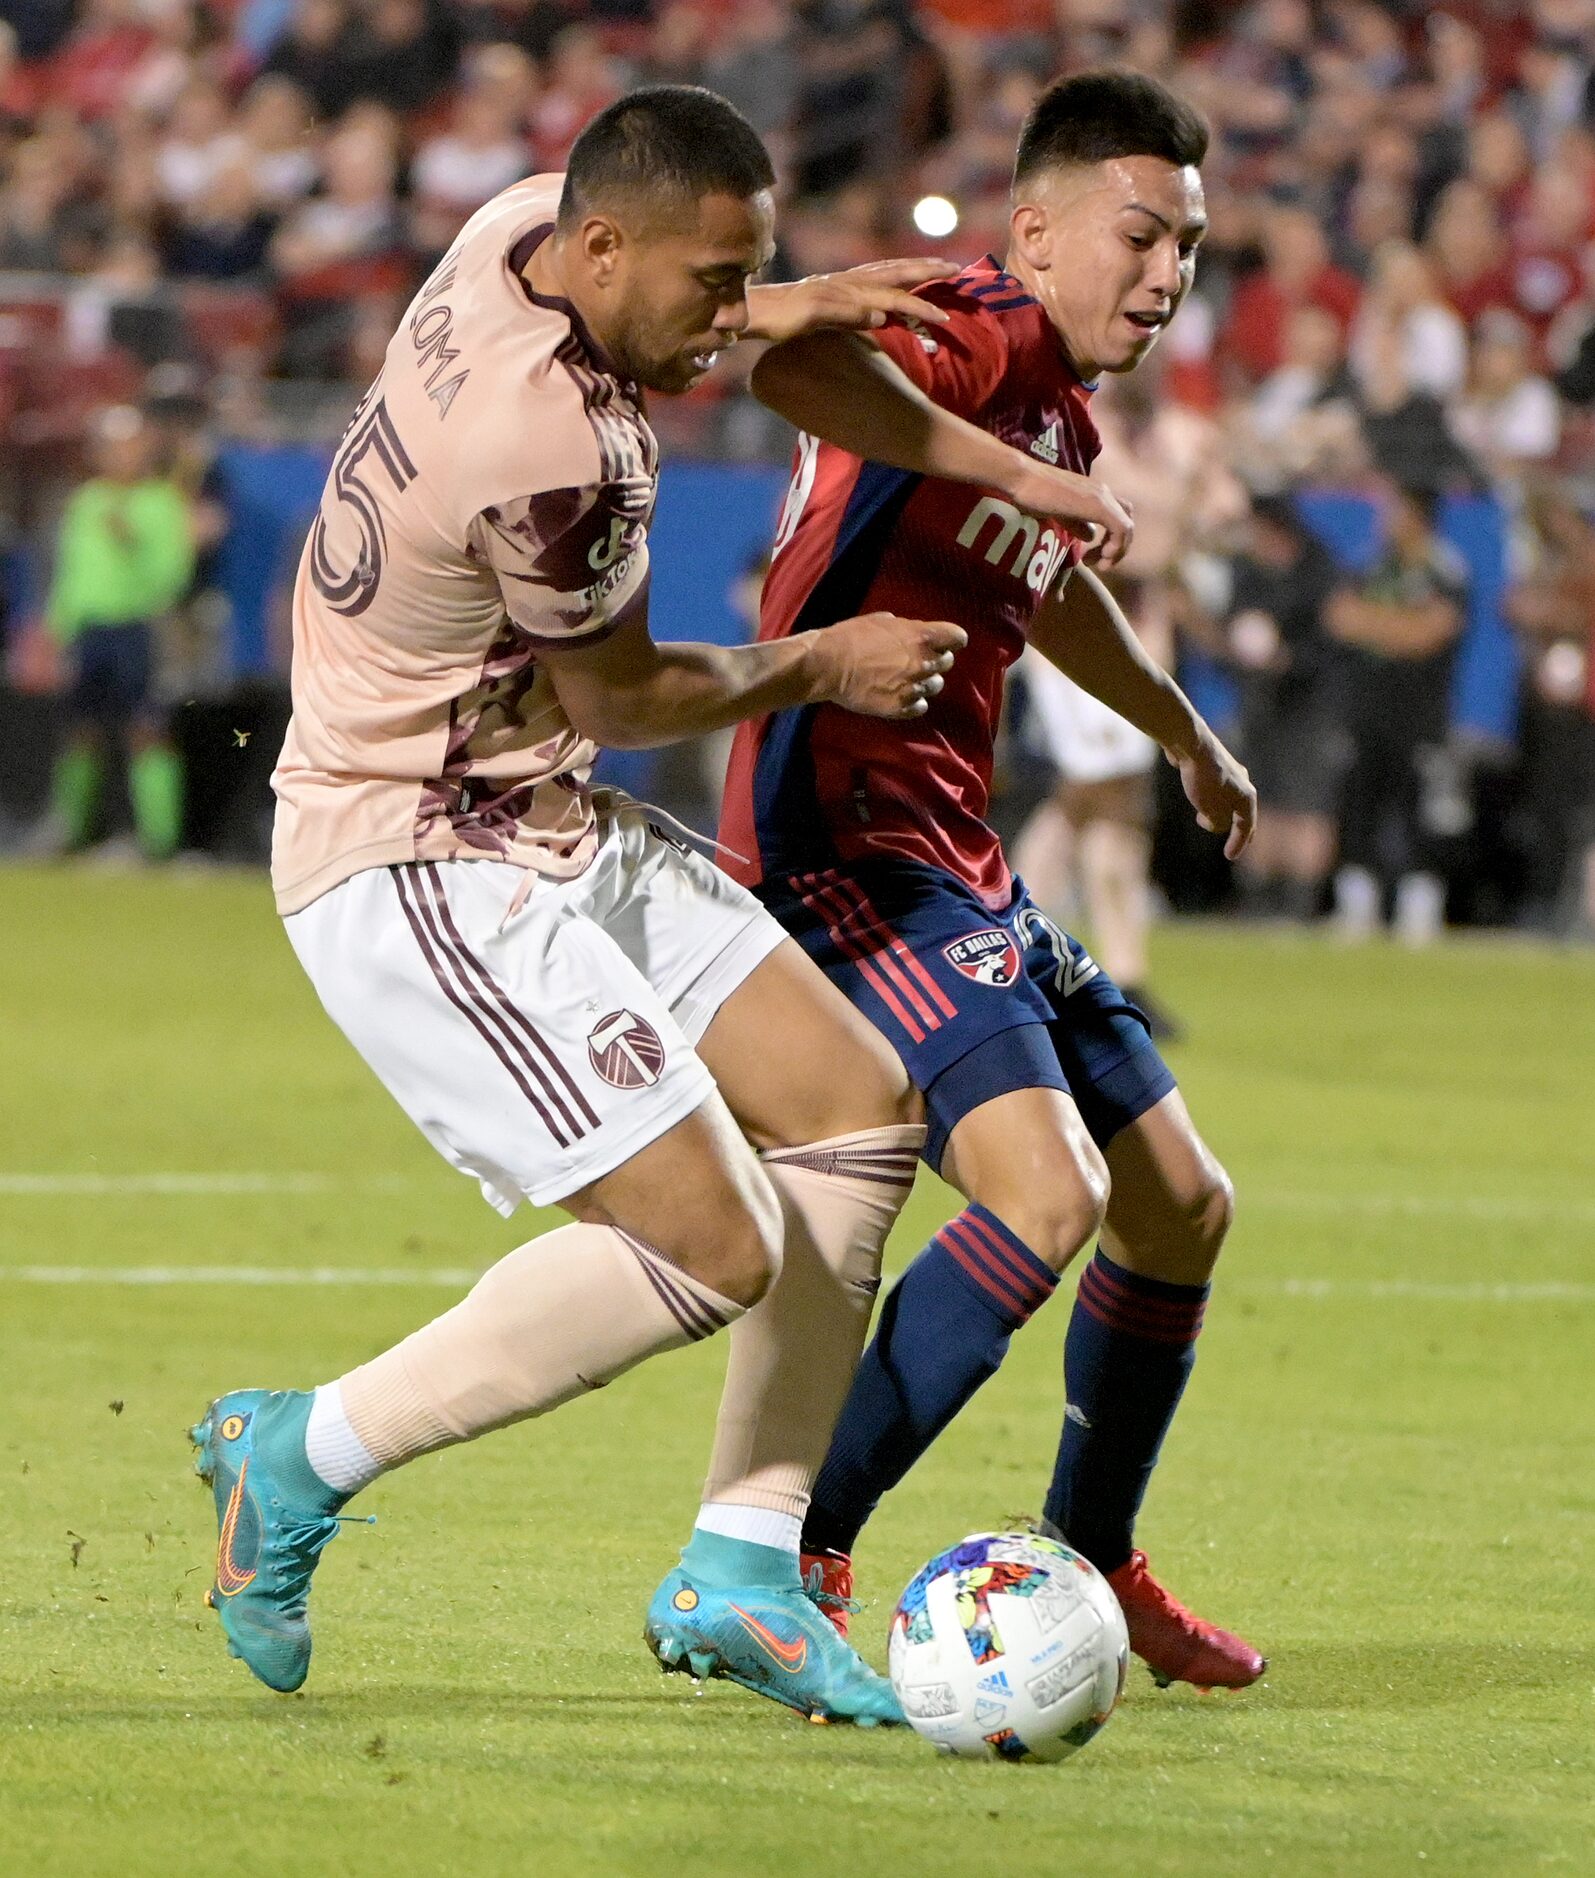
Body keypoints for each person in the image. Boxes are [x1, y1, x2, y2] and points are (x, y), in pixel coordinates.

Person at [192, 85, 1124, 1727]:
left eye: (738, 274)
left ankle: (741, 1564)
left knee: (855, 1109)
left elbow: (676, 293)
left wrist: (776, 301)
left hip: (521, 796)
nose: (724, 323)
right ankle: (302, 1449)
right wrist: (830, 659)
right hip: (412, 853)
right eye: (711, 286)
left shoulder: (512, 233)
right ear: (607, 248)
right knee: (715, 1242)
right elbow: (624, 692)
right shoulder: (561, 452)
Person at [711, 69, 1268, 1691]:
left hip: (956, 850)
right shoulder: (977, 325)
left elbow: (1050, 591)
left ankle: (1094, 1555)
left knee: (1180, 1201)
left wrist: (1180, 730)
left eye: (1191, 251)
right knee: (1050, 1194)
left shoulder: (1058, 410)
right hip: (841, 848)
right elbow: (806, 368)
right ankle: (782, 1552)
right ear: (1037, 227)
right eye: (1140, 235)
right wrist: (1018, 473)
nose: (1167, 278)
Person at [40, 404, 193, 860]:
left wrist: (132, 542)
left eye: (129, 445)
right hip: (90, 631)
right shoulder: (86, 501)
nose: (120, 455)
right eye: (112, 447)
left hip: (137, 628)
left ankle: (159, 840)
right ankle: (71, 830)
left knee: (147, 730)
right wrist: (56, 629)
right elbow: (70, 574)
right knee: (80, 731)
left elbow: (172, 575)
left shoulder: (161, 503)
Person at [1327, 481, 1468, 944]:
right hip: (1367, 709)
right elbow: (1339, 618)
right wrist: (1399, 627)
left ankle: (1419, 907)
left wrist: (1376, 626)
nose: (1384, 520)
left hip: (1421, 714)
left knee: (1421, 810)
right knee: (1360, 803)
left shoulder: (1444, 570)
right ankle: (1357, 904)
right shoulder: (1371, 564)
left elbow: (1431, 633)